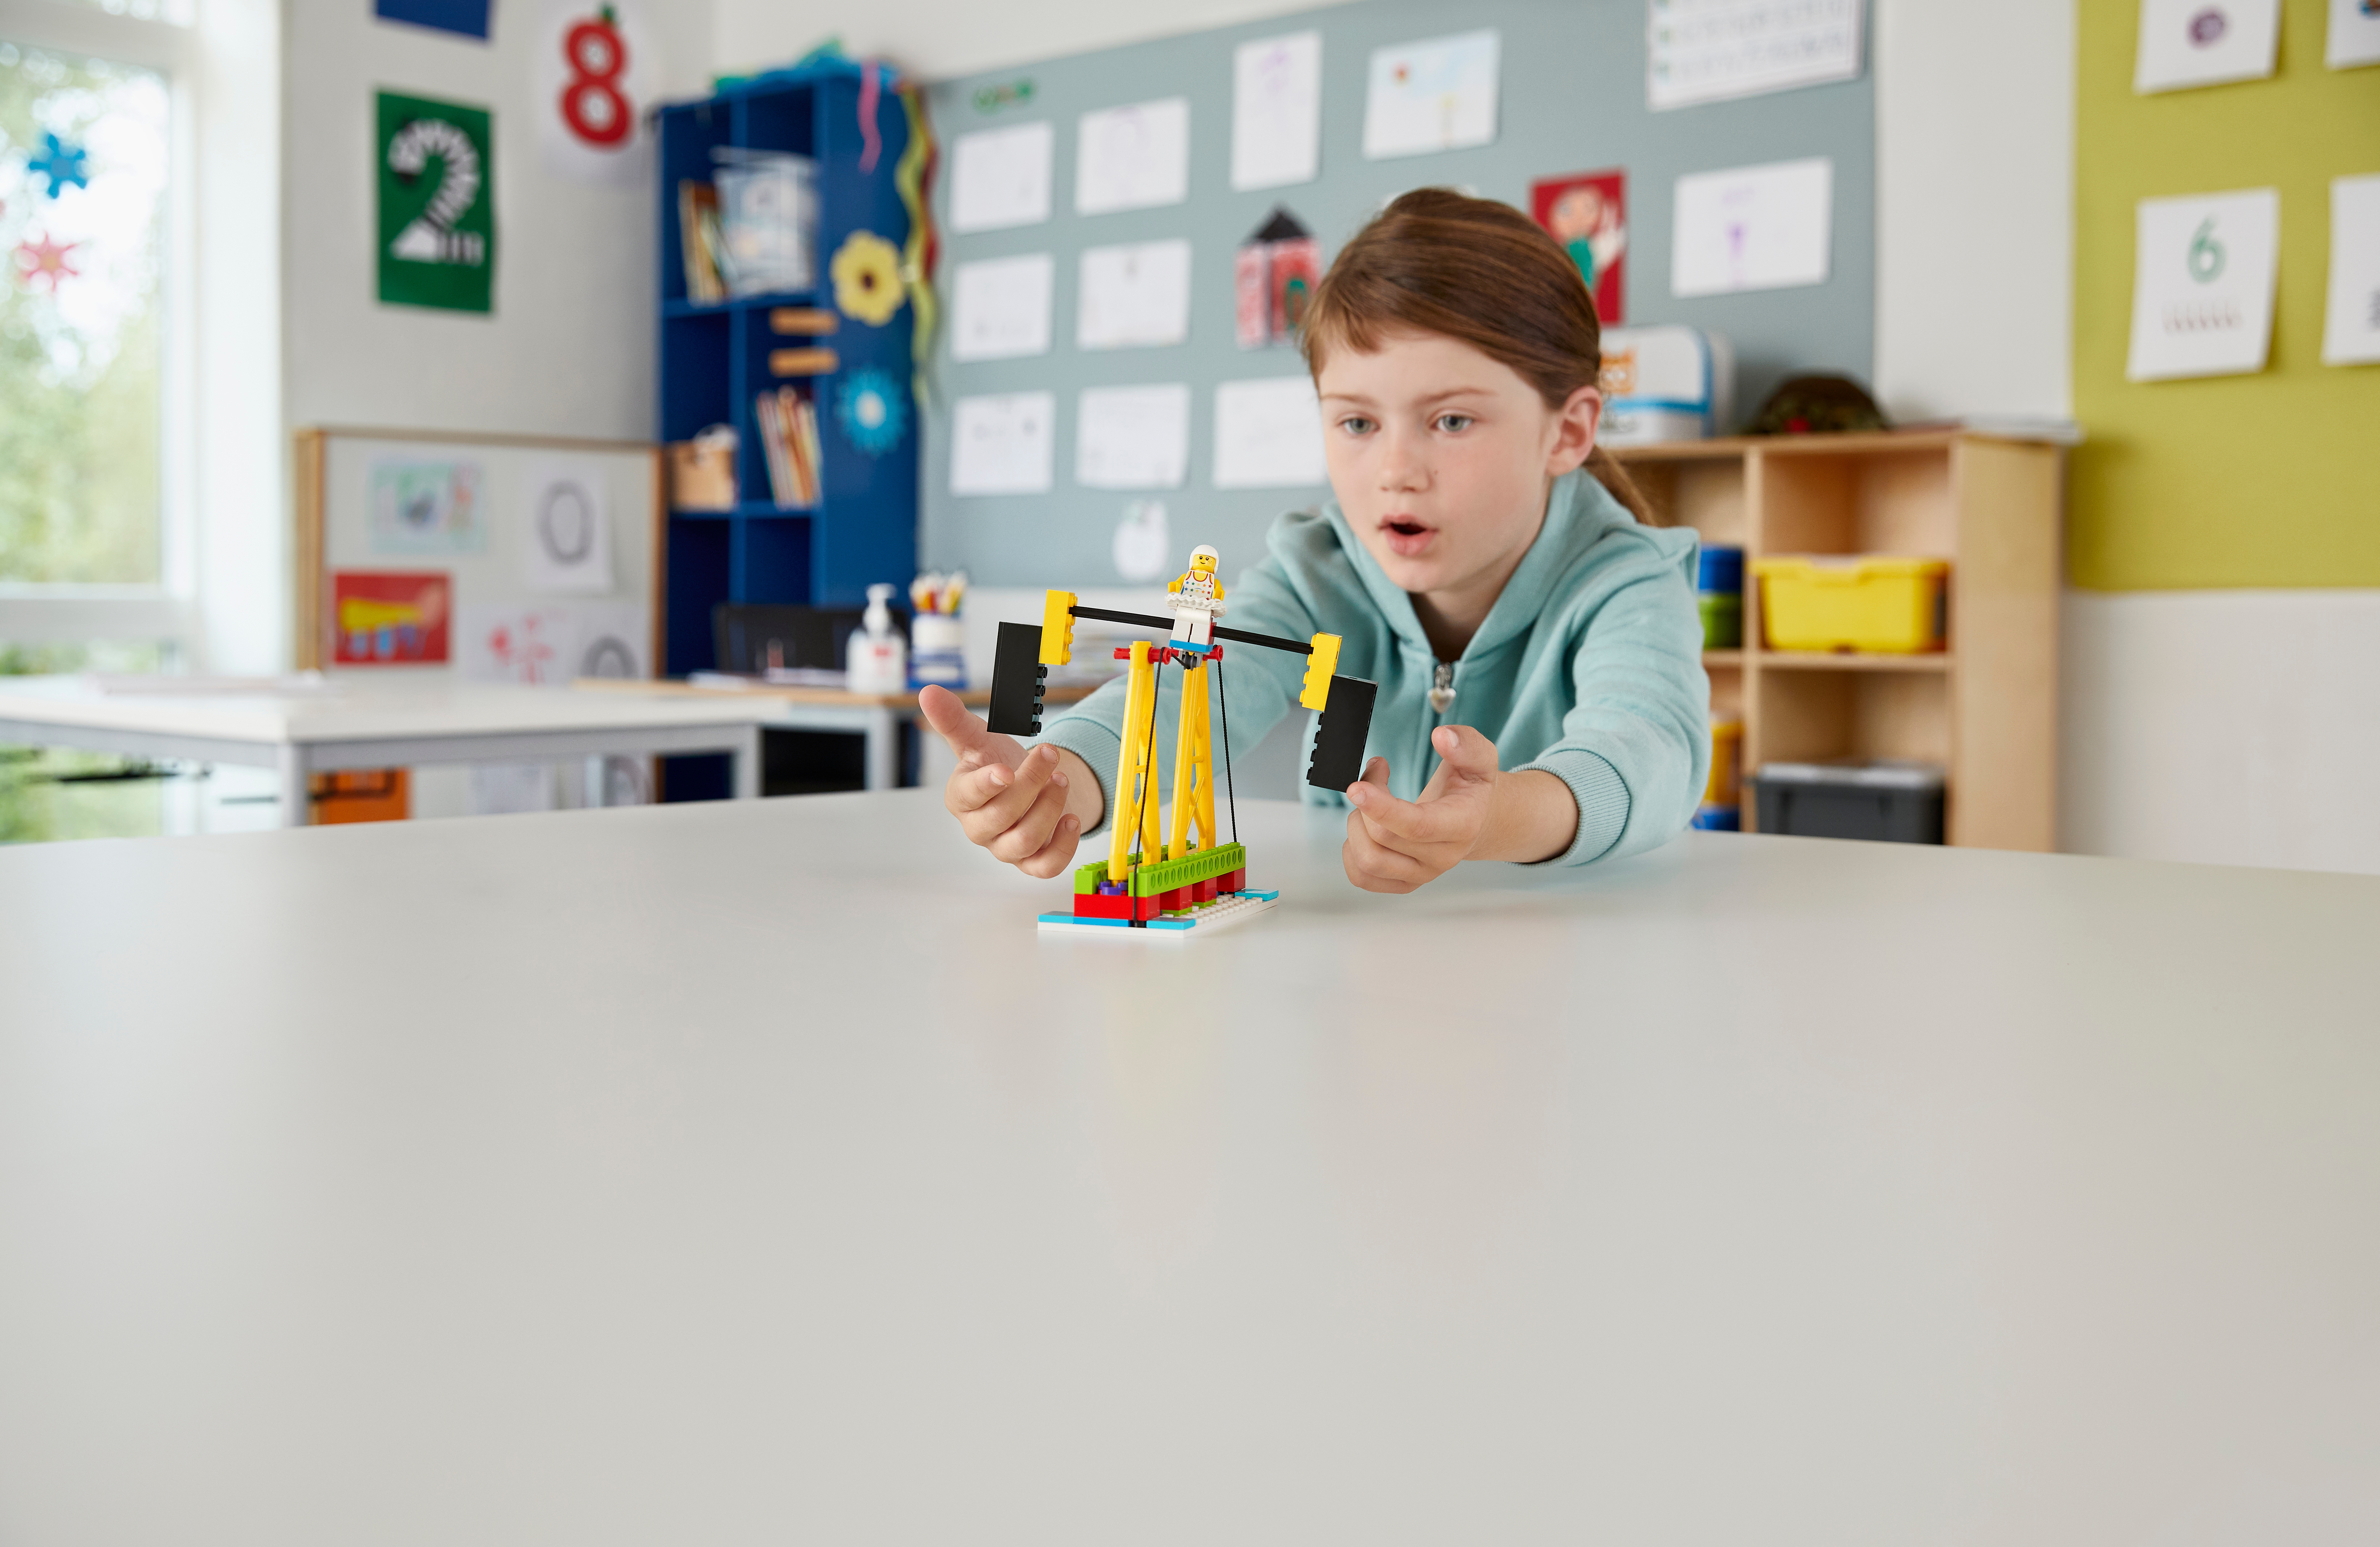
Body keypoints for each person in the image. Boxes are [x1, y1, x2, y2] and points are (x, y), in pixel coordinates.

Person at [920, 188, 1710, 894]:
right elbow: (1186, 687)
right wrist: (1065, 778)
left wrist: (1489, 822)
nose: (1396, 471)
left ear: (1566, 432)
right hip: (1358, 962)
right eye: (1358, 423)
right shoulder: (1316, 571)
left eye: (1453, 421)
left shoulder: (1632, 584)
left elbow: (1648, 753)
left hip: (1572, 961)